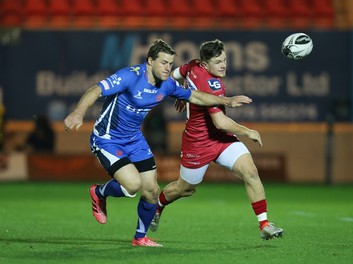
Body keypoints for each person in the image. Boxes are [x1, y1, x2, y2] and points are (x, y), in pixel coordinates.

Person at [63, 39, 252, 247]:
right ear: (150, 60)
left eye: (170, 64)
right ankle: (98, 192)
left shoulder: (167, 84)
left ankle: (140, 238)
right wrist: (78, 113)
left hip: (135, 140)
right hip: (107, 139)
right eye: (163, 63)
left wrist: (227, 101)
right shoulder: (130, 76)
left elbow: (195, 96)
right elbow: (95, 90)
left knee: (152, 192)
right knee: (133, 185)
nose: (168, 68)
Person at [150, 39, 284, 240]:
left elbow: (177, 73)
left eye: (225, 60)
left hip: (220, 139)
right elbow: (220, 121)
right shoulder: (212, 84)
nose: (224, 65)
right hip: (198, 142)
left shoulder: (194, 64)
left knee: (250, 171)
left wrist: (181, 91)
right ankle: (157, 207)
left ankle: (264, 224)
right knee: (184, 189)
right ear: (205, 64)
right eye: (219, 61)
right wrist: (248, 131)